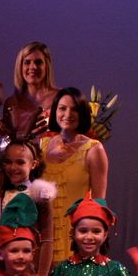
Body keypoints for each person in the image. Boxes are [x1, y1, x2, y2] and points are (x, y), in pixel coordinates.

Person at [39, 88, 109, 264]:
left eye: (74, 109)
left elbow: (98, 204)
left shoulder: (94, 149)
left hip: (74, 239)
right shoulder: (42, 144)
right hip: (42, 236)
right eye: (62, 108)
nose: (68, 114)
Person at [0, 139, 56, 275]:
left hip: (29, 267)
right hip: (3, 267)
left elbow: (47, 240)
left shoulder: (40, 195)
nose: (13, 167)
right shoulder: (1, 192)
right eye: (8, 162)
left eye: (20, 162)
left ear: (33, 164)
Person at [3, 42, 59, 141]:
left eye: (38, 62)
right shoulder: (11, 102)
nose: (33, 67)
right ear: (20, 67)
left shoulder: (61, 97)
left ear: (47, 66)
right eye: (27, 62)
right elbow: (7, 139)